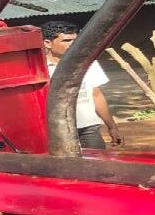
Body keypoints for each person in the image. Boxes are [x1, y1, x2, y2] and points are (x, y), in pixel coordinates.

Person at [40, 21, 123, 149]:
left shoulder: (88, 63)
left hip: (89, 129)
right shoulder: (39, 68)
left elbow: (96, 95)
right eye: (66, 41)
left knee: (97, 161)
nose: (73, 44)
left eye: (75, 40)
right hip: (56, 131)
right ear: (48, 43)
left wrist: (112, 127)